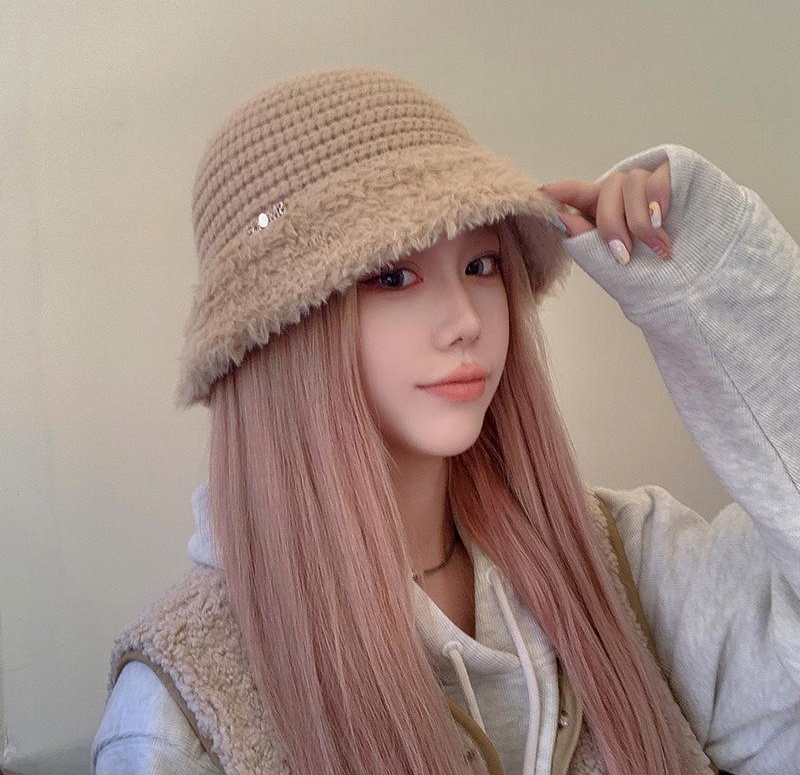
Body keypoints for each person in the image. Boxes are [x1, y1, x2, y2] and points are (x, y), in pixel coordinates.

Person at [90, 66, 799, 775]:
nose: (465, 320)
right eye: (393, 276)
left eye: (481, 266)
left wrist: (714, 279)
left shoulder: (623, 562)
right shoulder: (184, 715)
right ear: (281, 334)